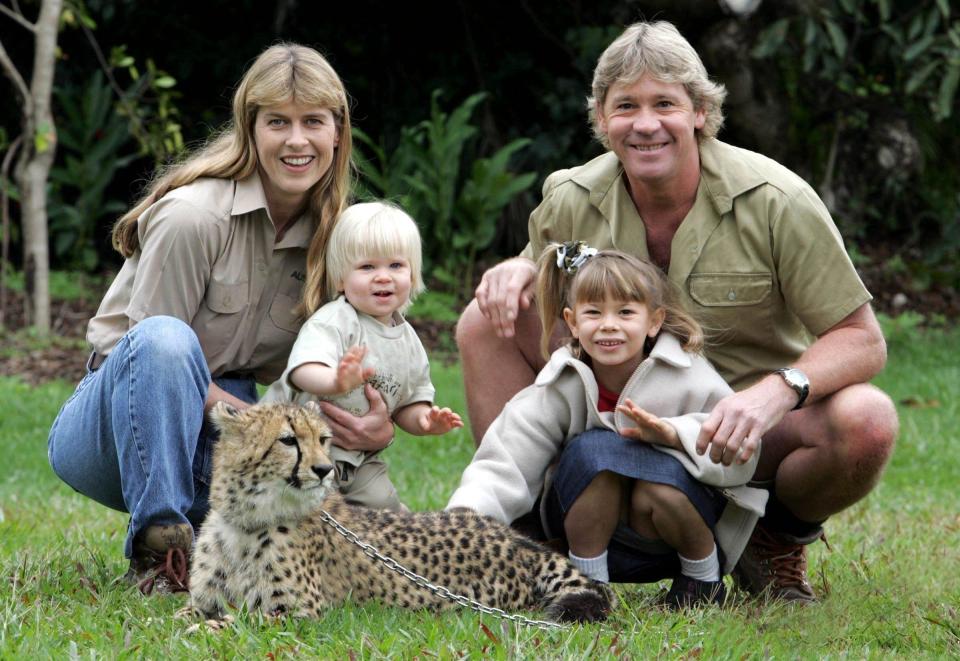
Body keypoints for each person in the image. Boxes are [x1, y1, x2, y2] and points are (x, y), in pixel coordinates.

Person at [456, 21, 898, 603]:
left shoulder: (777, 200)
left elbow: (861, 339)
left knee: (868, 418)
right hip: (610, 418)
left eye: (664, 103)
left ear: (699, 110)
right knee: (485, 317)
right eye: (625, 107)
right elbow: (549, 264)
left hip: (732, 428)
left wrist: (774, 394)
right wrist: (518, 267)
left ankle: (772, 538)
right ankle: (524, 538)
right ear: (602, 120)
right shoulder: (572, 196)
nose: (645, 124)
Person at [46, 44, 394, 594]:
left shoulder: (340, 241)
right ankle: (159, 548)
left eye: (313, 122)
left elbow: (335, 370)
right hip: (115, 424)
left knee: (345, 529)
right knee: (165, 341)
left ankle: (237, 549)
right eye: (278, 121)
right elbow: (147, 356)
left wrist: (379, 426)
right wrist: (257, 424)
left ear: (338, 132)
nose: (297, 140)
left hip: (230, 429)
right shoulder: (193, 218)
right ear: (249, 128)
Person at [449, 244, 767, 608]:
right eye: (594, 312)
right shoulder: (561, 381)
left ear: (654, 321)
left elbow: (742, 453)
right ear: (572, 321)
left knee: (656, 481)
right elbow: (506, 459)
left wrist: (674, 436)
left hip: (665, 532)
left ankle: (702, 582)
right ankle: (589, 587)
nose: (608, 325)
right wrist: (461, 524)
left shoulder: (688, 374)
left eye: (626, 312)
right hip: (590, 529)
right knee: (595, 453)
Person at [262, 201, 463, 510]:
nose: (383, 277)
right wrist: (335, 381)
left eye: (396, 266)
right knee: (295, 518)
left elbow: (410, 402)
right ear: (341, 279)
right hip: (294, 450)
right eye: (367, 267)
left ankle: (399, 553)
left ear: (413, 275)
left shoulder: (409, 343)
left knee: (387, 510)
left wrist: (425, 420)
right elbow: (304, 370)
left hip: (356, 461)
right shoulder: (336, 320)